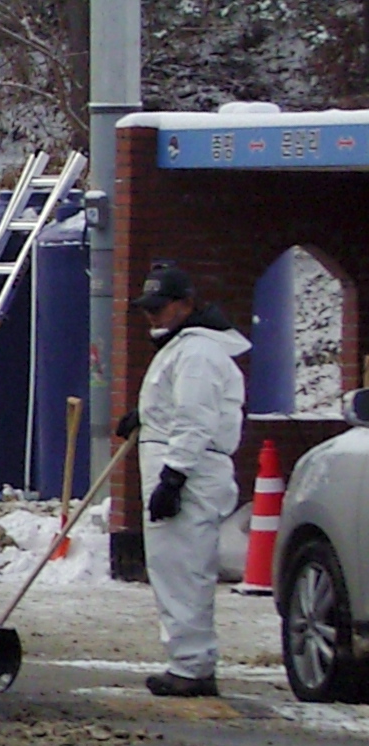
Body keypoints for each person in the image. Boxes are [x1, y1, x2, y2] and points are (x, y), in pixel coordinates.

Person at [117, 261, 250, 697]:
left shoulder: (197, 352)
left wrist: (174, 477)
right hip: (183, 464)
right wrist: (148, 417)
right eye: (147, 308)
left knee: (184, 568)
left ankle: (192, 666)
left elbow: (195, 418)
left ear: (186, 304)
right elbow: (180, 407)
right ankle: (187, 661)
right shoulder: (184, 348)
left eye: (160, 306)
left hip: (191, 471)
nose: (152, 316)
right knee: (174, 568)